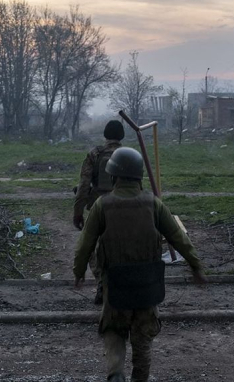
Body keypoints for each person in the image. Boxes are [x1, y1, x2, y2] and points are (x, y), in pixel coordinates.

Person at [73, 147, 207, 382]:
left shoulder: (102, 205)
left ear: (113, 176)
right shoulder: (153, 205)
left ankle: (115, 373)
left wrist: (79, 271)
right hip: (147, 286)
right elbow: (179, 237)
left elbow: (85, 243)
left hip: (116, 285)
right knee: (143, 340)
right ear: (139, 177)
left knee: (113, 332)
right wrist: (196, 266)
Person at [73, 120, 125, 304]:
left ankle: (102, 282)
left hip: (99, 208)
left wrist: (78, 213)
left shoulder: (95, 154)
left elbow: (83, 186)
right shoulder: (128, 155)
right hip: (124, 208)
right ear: (122, 136)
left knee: (91, 247)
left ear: (105, 135)